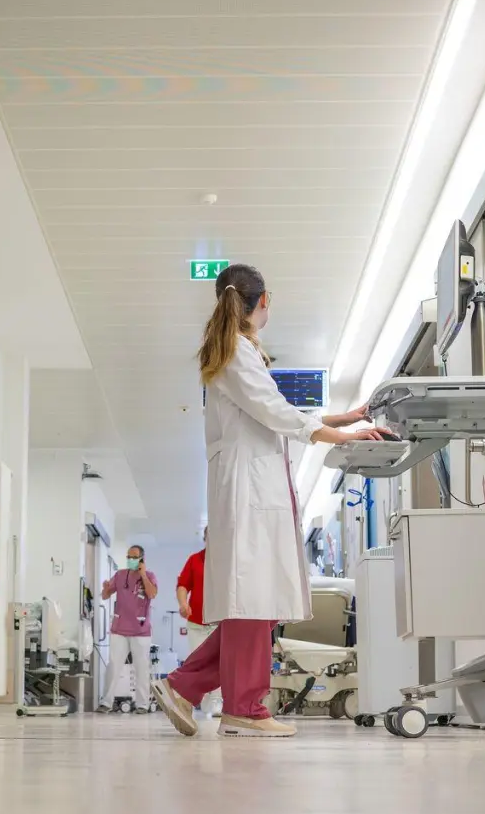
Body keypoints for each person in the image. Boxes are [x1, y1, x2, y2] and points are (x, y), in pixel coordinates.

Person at [153, 263, 387, 738]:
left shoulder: (238, 351)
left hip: (250, 487)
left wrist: (341, 420)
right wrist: (337, 437)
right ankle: (243, 705)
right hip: (249, 490)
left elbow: (271, 409)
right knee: (252, 599)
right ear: (263, 302)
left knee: (255, 601)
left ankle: (186, 686)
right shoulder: (238, 351)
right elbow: (273, 411)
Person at [98, 545, 158, 713]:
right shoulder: (120, 575)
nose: (130, 560)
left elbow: (152, 594)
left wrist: (143, 574)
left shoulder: (150, 576)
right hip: (119, 629)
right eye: (128, 556)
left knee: (141, 668)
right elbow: (105, 595)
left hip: (141, 631)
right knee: (114, 666)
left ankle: (142, 704)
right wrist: (105, 588)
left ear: (142, 559)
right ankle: (106, 702)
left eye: (134, 557)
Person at [176, 528, 220, 715]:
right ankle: (190, 700)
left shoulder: (228, 562)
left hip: (219, 622)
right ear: (205, 538)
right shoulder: (195, 560)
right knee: (198, 662)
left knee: (218, 663)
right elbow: (183, 585)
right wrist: (183, 603)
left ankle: (216, 702)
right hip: (196, 623)